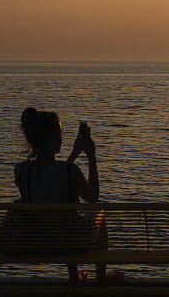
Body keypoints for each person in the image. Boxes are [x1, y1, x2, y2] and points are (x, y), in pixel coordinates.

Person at [9, 106, 116, 286]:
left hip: (36, 241)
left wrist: (74, 154)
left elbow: (53, 182)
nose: (63, 137)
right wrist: (91, 157)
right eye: (60, 132)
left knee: (62, 218)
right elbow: (92, 198)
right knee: (98, 212)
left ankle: (74, 277)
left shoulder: (20, 171)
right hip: (68, 243)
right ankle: (101, 279)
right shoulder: (70, 171)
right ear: (51, 137)